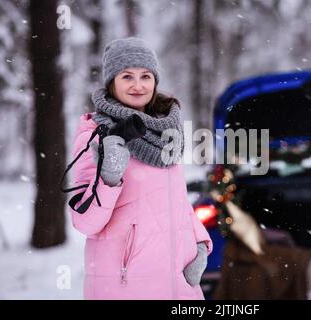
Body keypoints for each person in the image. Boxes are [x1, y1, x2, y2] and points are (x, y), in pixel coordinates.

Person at [69, 37, 213, 299]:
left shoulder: (168, 131)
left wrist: (200, 243)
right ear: (112, 82)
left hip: (179, 285)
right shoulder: (96, 134)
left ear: (155, 81)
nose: (138, 85)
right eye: (127, 76)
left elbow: (176, 201)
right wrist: (109, 177)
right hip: (126, 286)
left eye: (146, 76)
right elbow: (84, 222)